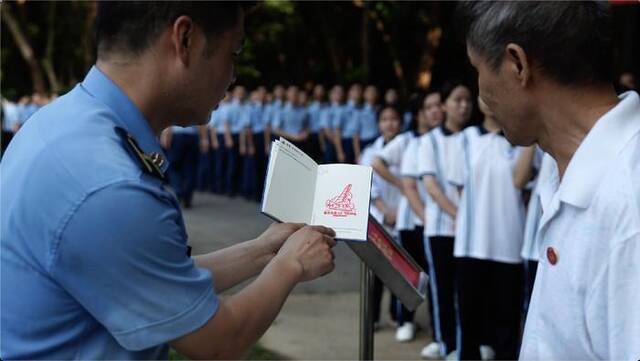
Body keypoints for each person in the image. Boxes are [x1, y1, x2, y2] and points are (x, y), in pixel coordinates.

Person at [0, 3, 336, 359]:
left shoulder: (63, 122)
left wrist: (264, 251)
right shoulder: (110, 187)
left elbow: (151, 276)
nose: (233, 75)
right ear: (185, 39)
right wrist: (291, 265)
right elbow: (219, 341)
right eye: (232, 53)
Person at [459, 2, 640, 359]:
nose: (481, 95)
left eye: (477, 70)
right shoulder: (566, 169)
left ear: (517, 65)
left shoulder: (628, 203)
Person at [448, 97, 527, 360]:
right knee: (469, 320)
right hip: (471, 243)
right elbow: (460, 187)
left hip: (509, 244)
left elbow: (521, 182)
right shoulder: (466, 138)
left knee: (507, 322)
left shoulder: (521, 139)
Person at [417, 81, 472, 359]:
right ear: (445, 106)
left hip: (470, 231)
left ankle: (466, 344)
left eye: (467, 100)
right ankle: (445, 342)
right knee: (442, 288)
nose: (463, 106)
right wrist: (458, 215)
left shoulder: (473, 138)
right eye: (456, 100)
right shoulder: (429, 141)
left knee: (467, 290)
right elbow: (431, 185)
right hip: (441, 227)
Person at [359, 105, 403, 329]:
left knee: (398, 270)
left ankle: (397, 316)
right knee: (375, 271)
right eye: (385, 119)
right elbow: (364, 183)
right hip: (378, 216)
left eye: (394, 119)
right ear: (378, 124)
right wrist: (384, 208)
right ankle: (373, 317)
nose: (389, 124)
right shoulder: (369, 151)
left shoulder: (407, 147)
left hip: (403, 215)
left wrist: (397, 211)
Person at [334, 83, 363, 164]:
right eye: (355, 90)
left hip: (359, 142)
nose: (357, 92)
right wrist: (340, 151)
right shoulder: (342, 109)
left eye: (359, 90)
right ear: (349, 93)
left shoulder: (361, 109)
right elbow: (337, 131)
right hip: (347, 143)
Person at [359, 85, 380, 151]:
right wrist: (357, 152)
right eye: (369, 91)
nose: (372, 94)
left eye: (374, 92)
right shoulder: (359, 111)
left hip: (378, 140)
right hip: (365, 141)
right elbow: (355, 134)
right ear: (364, 94)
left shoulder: (379, 109)